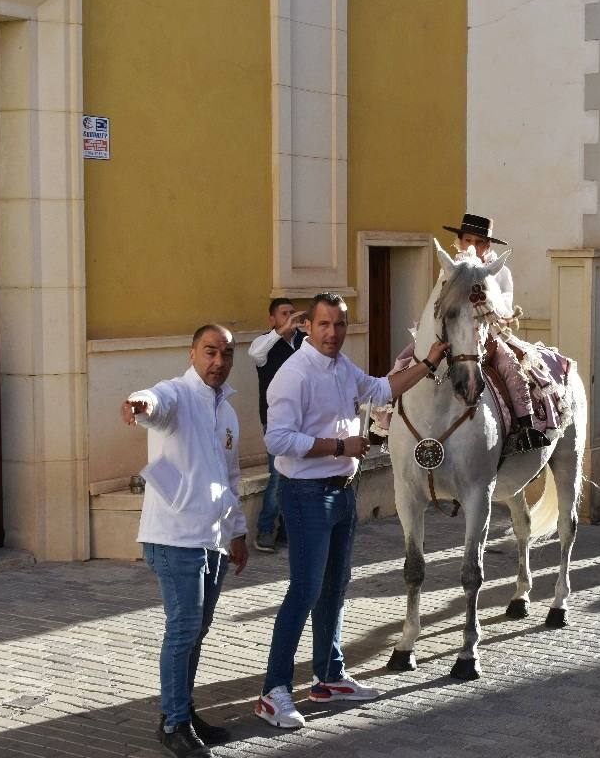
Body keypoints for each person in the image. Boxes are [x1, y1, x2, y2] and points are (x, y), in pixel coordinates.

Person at [255, 293, 448, 729]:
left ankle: (330, 676)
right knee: (304, 591)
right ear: (308, 326)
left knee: (335, 587)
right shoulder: (293, 374)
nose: (333, 333)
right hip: (306, 495)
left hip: (343, 491)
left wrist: (429, 362)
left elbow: (382, 389)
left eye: (340, 325)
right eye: (324, 325)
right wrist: (341, 446)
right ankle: (273, 691)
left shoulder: (342, 366)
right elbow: (278, 440)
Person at [121, 325, 249, 758]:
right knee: (183, 631)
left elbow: (231, 477)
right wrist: (141, 404)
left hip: (213, 537)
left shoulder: (227, 411)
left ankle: (183, 710)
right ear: (193, 353)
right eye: (210, 352)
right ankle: (173, 723)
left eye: (226, 354)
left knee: (196, 631)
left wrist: (239, 531)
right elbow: (156, 401)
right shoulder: (176, 394)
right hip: (174, 538)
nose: (218, 361)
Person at [444, 214, 548, 450]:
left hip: (488, 334)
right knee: (410, 359)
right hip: (453, 335)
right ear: (459, 242)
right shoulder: (450, 270)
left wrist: (488, 315)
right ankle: (390, 413)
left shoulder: (500, 272)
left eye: (479, 242)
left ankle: (525, 428)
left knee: (512, 368)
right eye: (467, 240)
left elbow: (504, 310)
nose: (472, 246)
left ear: (488, 245)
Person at [249, 298, 307, 552]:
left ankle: (287, 529)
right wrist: (279, 334)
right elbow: (255, 353)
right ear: (272, 319)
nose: (291, 318)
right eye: (284, 314)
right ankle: (265, 530)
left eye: (293, 313)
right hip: (276, 422)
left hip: (304, 420)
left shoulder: (304, 343)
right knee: (277, 475)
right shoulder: (264, 344)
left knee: (299, 475)